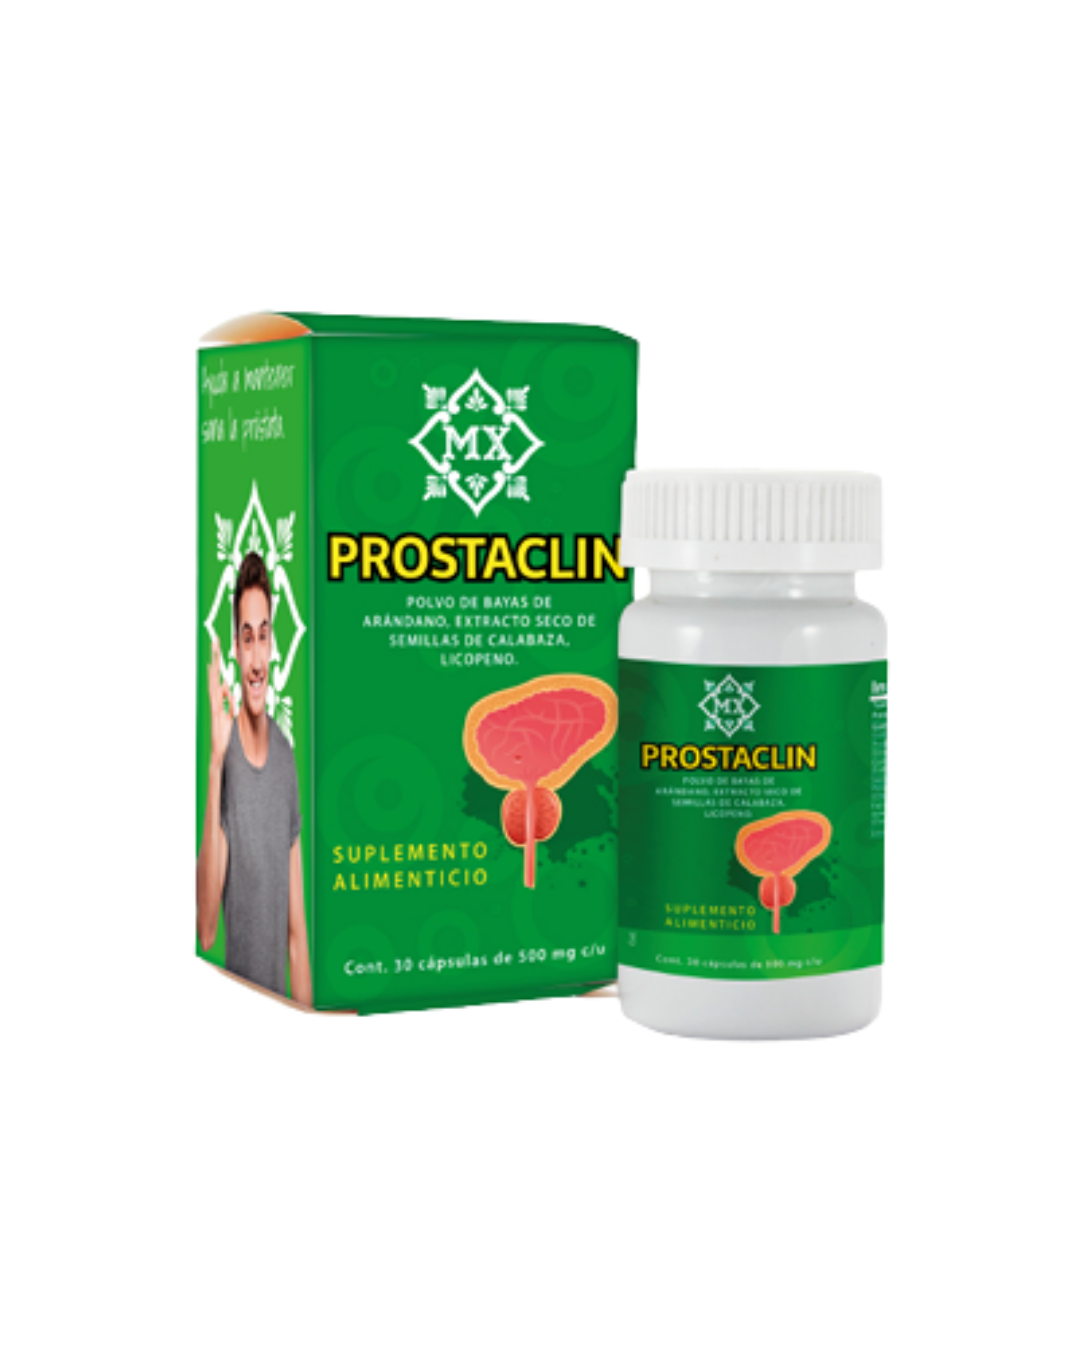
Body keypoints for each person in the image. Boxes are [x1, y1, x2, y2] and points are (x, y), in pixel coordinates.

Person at [196, 551, 312, 1005]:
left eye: (263, 635)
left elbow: (297, 940)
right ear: (236, 648)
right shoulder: (226, 760)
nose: (257, 658)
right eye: (247, 638)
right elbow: (206, 930)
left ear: (273, 642)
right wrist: (214, 762)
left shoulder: (286, 757)